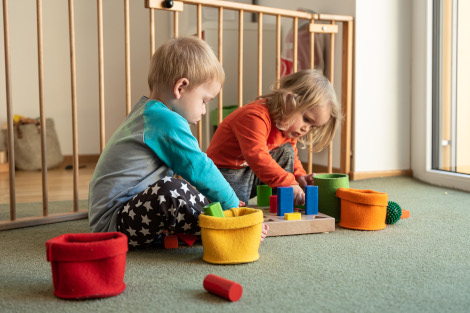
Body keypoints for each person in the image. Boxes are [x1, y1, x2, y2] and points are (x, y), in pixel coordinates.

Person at [88, 36, 268, 248]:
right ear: (180, 87)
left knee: (190, 190)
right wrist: (231, 204)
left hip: (129, 217)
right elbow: (199, 167)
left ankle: (201, 227)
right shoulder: (164, 119)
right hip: (115, 226)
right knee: (172, 190)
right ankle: (227, 228)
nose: (203, 110)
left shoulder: (148, 113)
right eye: (204, 101)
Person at [206, 69, 340, 206]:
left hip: (251, 172)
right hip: (224, 172)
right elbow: (257, 156)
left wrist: (300, 177)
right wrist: (288, 183)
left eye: (312, 126)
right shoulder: (254, 116)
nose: (306, 129)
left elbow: (292, 156)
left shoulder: (288, 126)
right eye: (306, 119)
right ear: (289, 101)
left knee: (287, 150)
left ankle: (282, 203)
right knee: (233, 209)